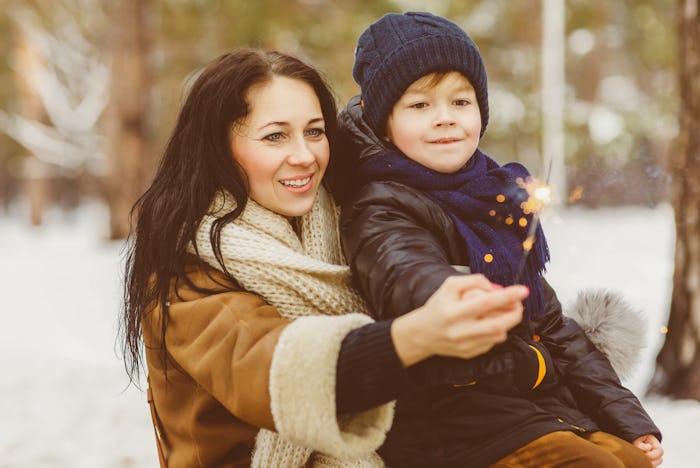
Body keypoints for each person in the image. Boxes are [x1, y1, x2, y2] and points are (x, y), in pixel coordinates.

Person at [120, 48, 531, 467]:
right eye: (275, 136)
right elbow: (264, 363)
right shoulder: (187, 275)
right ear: (218, 148)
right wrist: (413, 336)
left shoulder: (352, 221)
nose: (305, 155)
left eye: (315, 132)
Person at [334, 11, 664, 468]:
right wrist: (447, 292)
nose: (444, 119)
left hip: (527, 410)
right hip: (449, 424)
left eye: (461, 102)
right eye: (420, 105)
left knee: (630, 459)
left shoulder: (495, 195)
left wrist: (628, 417)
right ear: (384, 122)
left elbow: (551, 324)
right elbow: (402, 267)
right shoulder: (382, 205)